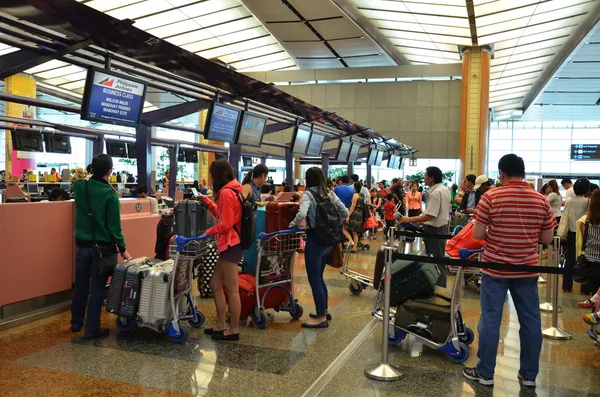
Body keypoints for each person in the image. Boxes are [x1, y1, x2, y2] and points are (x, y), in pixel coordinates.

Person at [462, 154, 556, 388]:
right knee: (531, 321)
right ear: (523, 173)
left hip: (496, 268)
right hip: (527, 269)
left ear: (502, 173)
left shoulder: (491, 197)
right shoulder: (540, 199)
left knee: (491, 320)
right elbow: (546, 238)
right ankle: (529, 375)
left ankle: (485, 373)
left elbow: (478, 235)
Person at [71, 154, 131, 339]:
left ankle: (76, 323)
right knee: (97, 287)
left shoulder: (80, 186)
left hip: (82, 245)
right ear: (109, 171)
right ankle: (91, 330)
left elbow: (78, 180)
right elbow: (114, 228)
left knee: (80, 284)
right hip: (102, 249)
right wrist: (123, 248)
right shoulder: (110, 195)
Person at [289, 167, 347, 328]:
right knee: (319, 277)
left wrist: (293, 225)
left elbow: (301, 214)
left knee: (314, 279)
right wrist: (334, 225)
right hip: (330, 241)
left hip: (315, 240)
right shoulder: (329, 192)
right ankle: (324, 310)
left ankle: (321, 318)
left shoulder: (308, 194)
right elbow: (345, 212)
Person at [196, 160, 244, 341]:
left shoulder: (225, 193)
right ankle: (221, 324)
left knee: (232, 290)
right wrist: (208, 201)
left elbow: (226, 224)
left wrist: (207, 232)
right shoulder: (234, 190)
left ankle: (233, 329)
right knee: (215, 284)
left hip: (231, 244)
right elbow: (224, 216)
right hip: (230, 244)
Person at [400, 166, 451, 287]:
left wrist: (409, 219)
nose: (424, 178)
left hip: (435, 230)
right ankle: (437, 286)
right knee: (438, 259)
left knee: (435, 261)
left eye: (426, 176)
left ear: (432, 178)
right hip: (442, 228)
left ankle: (439, 288)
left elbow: (431, 215)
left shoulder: (435, 193)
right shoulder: (444, 189)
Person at [560, 178, 591, 293]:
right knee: (584, 259)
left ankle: (567, 286)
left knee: (570, 259)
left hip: (571, 233)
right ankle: (585, 288)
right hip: (584, 234)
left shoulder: (569, 200)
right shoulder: (587, 201)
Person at [343, 182, 366, 252]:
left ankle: (351, 242)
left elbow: (353, 206)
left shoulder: (355, 195)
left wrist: (348, 216)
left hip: (355, 213)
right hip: (360, 214)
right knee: (354, 231)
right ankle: (354, 247)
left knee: (344, 227)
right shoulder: (362, 195)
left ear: (354, 187)